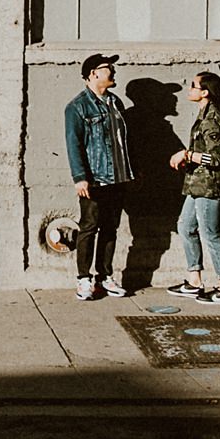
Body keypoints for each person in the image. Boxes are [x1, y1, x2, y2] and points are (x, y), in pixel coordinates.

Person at [63, 52, 134, 300]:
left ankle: (105, 277)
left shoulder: (115, 103)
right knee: (89, 226)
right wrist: (80, 177)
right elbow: (74, 144)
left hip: (118, 176)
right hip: (94, 178)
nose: (113, 72)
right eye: (108, 68)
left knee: (110, 228)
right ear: (93, 74)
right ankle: (84, 279)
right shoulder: (77, 107)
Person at [167, 70, 220, 304]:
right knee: (185, 226)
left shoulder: (211, 120)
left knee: (210, 234)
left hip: (210, 186)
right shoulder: (204, 115)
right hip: (197, 185)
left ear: (205, 92)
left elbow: (216, 159)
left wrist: (187, 154)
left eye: (193, 85)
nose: (190, 89)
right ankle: (195, 281)